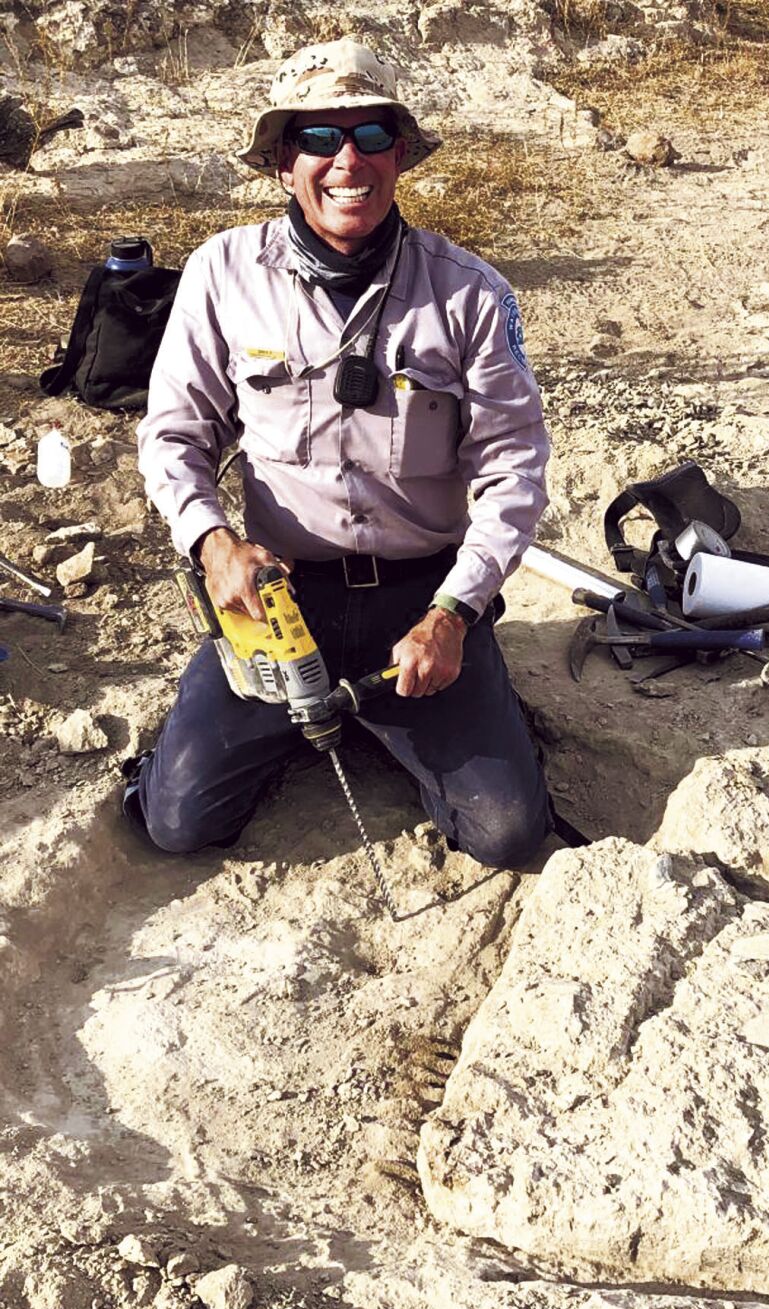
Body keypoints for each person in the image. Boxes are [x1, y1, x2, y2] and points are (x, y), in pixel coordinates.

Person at [128, 37, 553, 869]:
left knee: (507, 835)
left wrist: (455, 614)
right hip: (281, 607)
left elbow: (515, 471)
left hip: (419, 604)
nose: (346, 161)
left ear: (401, 155)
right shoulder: (221, 274)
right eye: (318, 139)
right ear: (284, 162)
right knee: (175, 821)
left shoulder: (471, 294)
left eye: (370, 136)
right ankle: (295, 718)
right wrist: (213, 546)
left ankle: (435, 701)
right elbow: (174, 434)